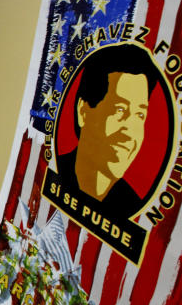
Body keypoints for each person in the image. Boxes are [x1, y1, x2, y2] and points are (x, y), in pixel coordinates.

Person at [55, 43, 162, 214]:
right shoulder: (53, 171)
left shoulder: (131, 205)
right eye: (120, 110)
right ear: (83, 111)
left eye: (140, 115)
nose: (130, 130)